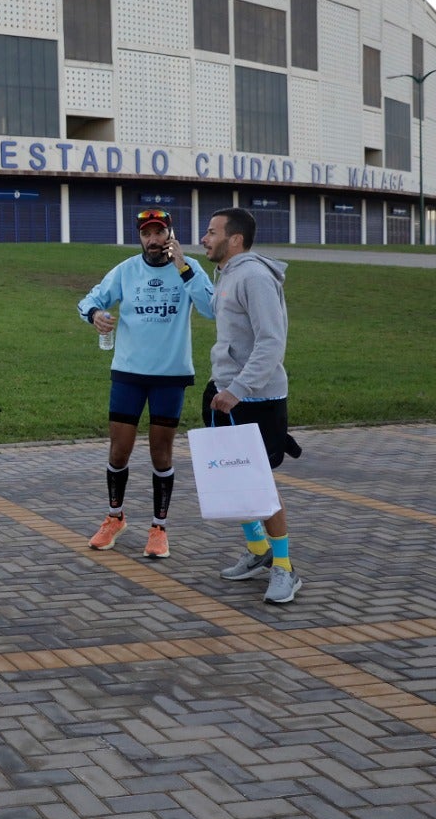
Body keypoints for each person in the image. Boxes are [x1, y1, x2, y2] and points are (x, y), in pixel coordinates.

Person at [77, 208, 214, 559]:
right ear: (139, 237)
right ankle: (114, 517)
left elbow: (212, 309)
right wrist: (96, 315)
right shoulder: (126, 271)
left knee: (160, 452)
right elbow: (89, 300)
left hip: (170, 376)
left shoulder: (188, 269)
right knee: (119, 450)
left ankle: (158, 527)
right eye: (146, 234)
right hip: (129, 373)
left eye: (159, 232)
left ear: (170, 233)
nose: (153, 240)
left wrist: (184, 269)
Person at [200, 207, 303, 605]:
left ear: (236, 239)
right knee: (234, 479)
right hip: (226, 394)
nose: (205, 239)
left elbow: (271, 342)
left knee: (260, 485)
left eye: (212, 232)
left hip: (256, 398)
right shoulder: (229, 274)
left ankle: (285, 567)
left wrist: (239, 388)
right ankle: (259, 553)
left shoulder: (255, 277)